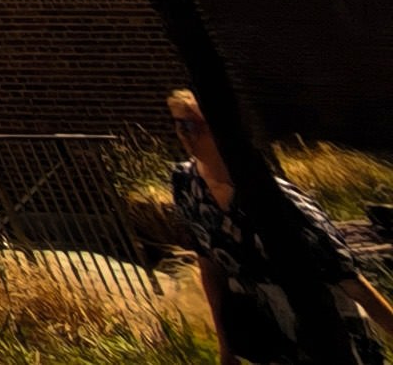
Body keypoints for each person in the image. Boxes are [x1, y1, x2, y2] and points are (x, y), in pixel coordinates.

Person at [167, 89, 393, 365]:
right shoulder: (186, 184)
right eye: (179, 124)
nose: (184, 134)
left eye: (193, 125)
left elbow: (349, 279)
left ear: (224, 128)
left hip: (322, 326)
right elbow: (210, 266)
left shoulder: (277, 198)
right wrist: (226, 347)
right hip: (265, 332)